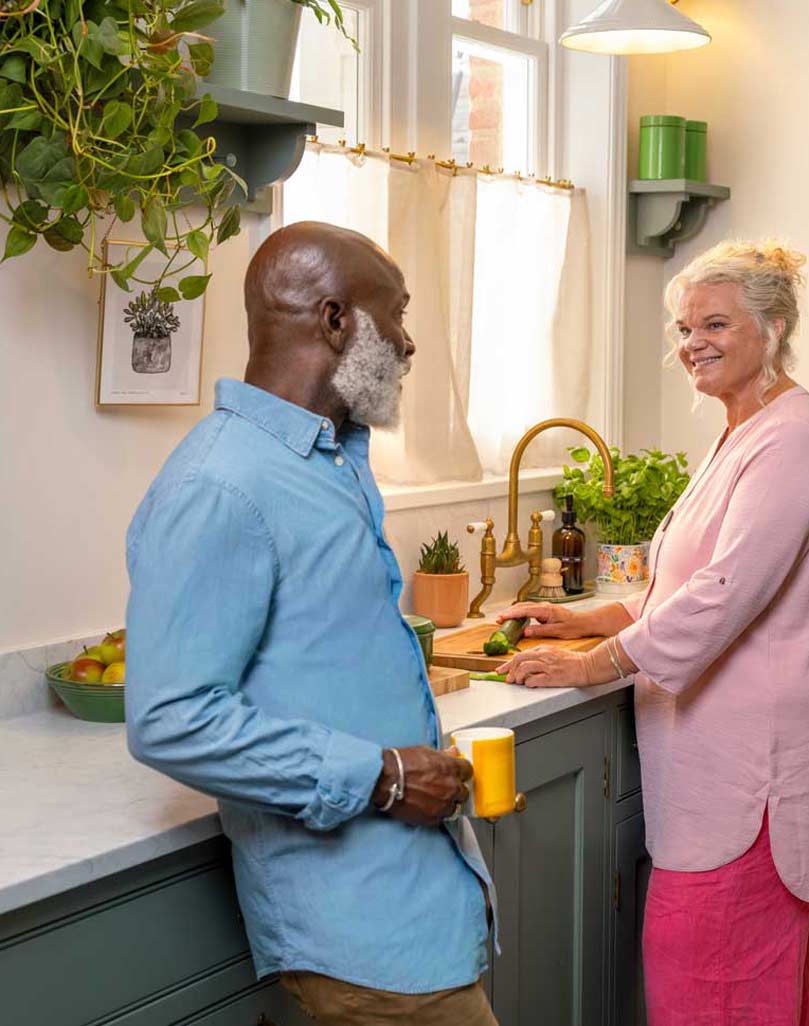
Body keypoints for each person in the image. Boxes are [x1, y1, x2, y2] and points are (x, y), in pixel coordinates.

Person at [125, 222, 498, 1026]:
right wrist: (384, 774)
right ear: (335, 321)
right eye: (395, 316)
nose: (407, 342)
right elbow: (169, 720)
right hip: (359, 940)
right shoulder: (220, 487)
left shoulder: (331, 463)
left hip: (409, 907)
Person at [495, 239, 809, 1026]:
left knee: (712, 980)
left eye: (715, 324)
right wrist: (584, 618)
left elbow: (722, 598)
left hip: (749, 778)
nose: (691, 342)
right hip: (716, 767)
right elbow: (683, 585)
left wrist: (594, 663)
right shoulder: (741, 433)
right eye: (684, 327)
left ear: (775, 327)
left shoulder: (791, 441)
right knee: (734, 980)